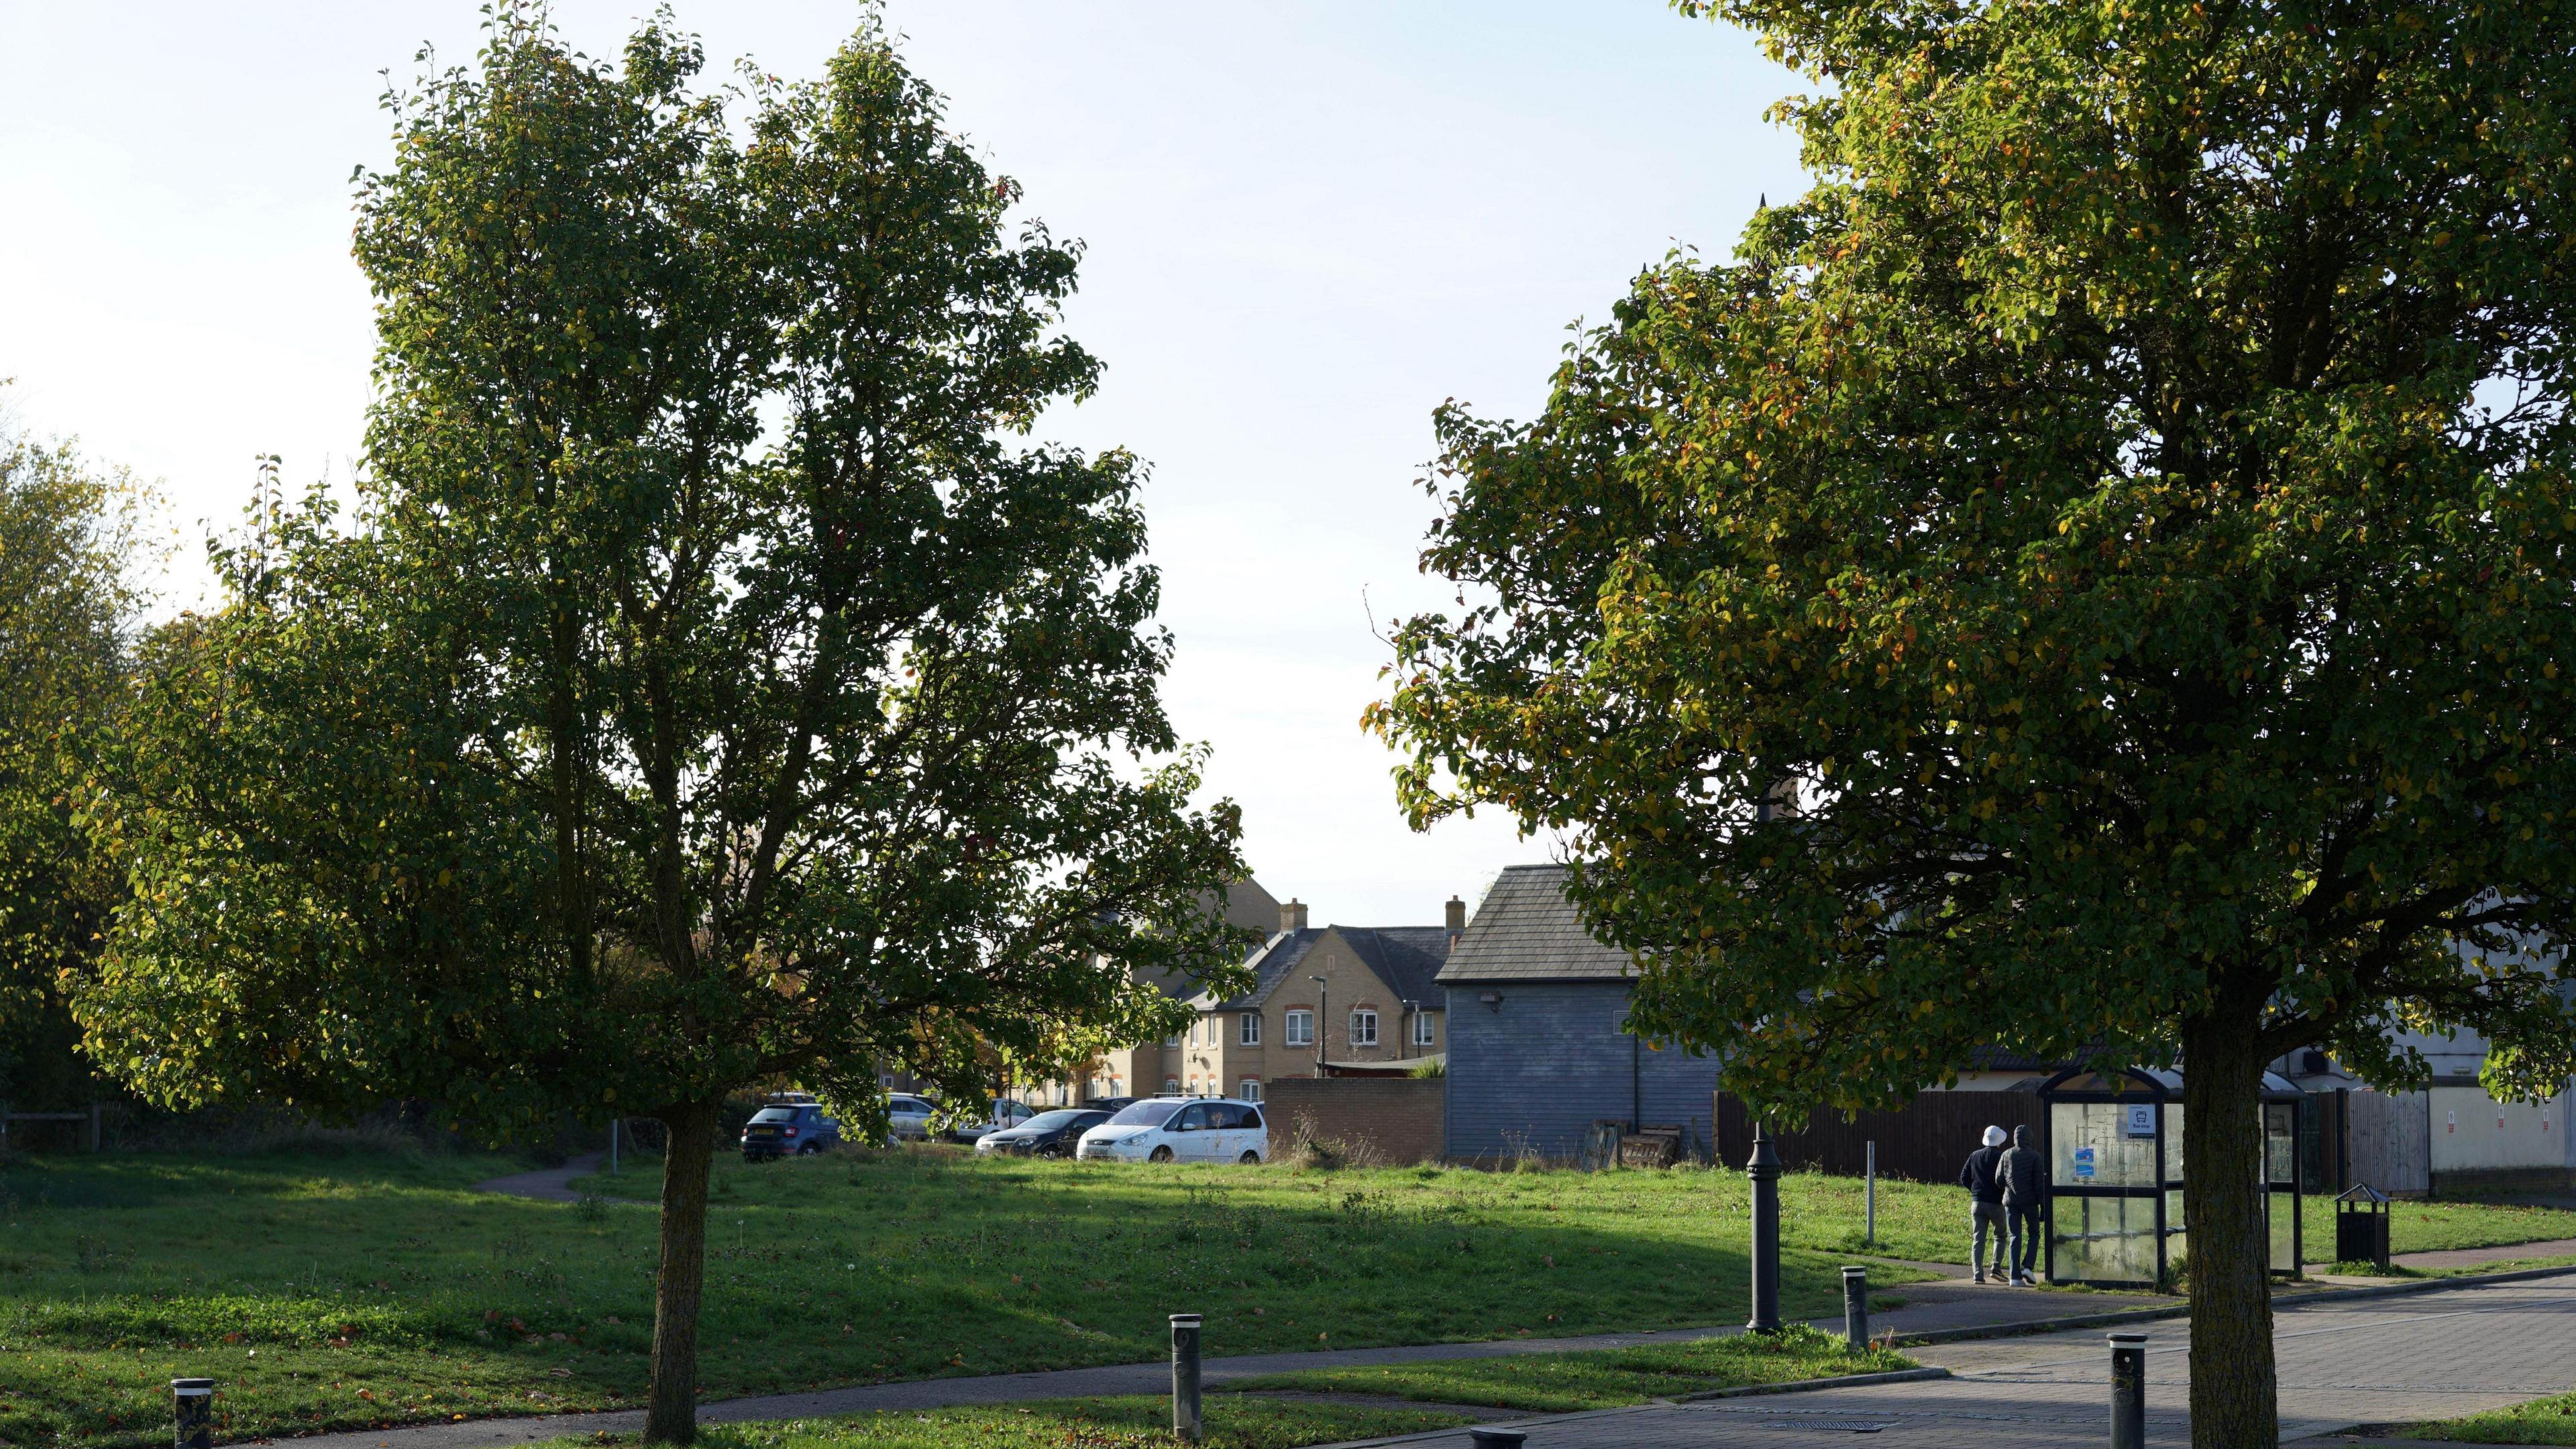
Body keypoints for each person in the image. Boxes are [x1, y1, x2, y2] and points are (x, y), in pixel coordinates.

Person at [1958, 1124, 2008, 1283]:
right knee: (2000, 1236)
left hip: (1977, 1202)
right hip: (1996, 1202)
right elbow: (2005, 1179)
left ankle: (1977, 1275)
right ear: (1999, 1141)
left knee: (1978, 1239)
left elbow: (1964, 1177)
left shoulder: (1974, 1155)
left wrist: (1975, 1191)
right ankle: (1996, 1268)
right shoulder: (2002, 1157)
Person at [1998, 1124, 2045, 1286]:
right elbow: (2040, 1184)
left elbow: (1999, 1180)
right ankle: (2028, 1266)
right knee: (2034, 1234)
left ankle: (2015, 1277)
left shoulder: (2006, 1154)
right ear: (2030, 1138)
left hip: (2010, 1202)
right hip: (2030, 1202)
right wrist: (2043, 1206)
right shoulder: (2036, 1157)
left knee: (2014, 1237)